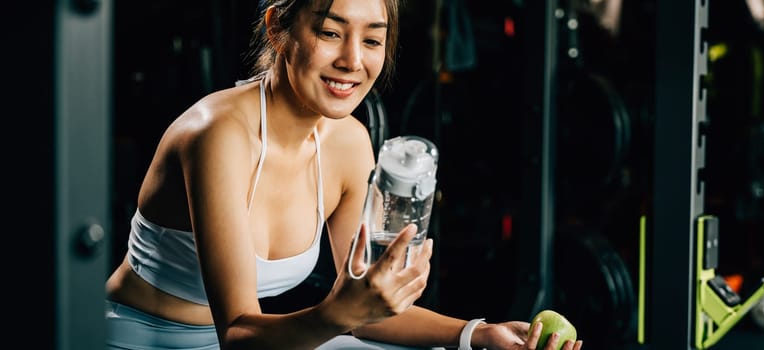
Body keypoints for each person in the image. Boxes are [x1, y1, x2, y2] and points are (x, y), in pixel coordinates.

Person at [104, 0, 584, 349]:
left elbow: (365, 317)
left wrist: (477, 334)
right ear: (278, 29)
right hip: (143, 338)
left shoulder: (349, 141)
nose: (353, 61)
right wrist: (338, 313)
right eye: (331, 33)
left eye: (372, 39)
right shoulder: (219, 135)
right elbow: (239, 334)